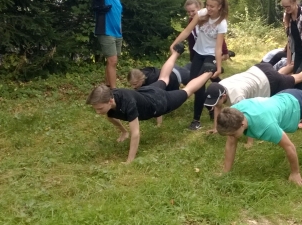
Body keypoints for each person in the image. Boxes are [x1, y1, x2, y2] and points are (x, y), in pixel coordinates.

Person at [86, 46, 216, 163]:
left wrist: (129, 161)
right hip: (147, 92)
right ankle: (176, 52)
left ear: (110, 101)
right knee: (163, 78)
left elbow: (136, 133)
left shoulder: (127, 103)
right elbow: (110, 116)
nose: (98, 112)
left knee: (186, 91)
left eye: (99, 108)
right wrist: (123, 132)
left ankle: (209, 71)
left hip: (159, 102)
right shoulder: (111, 95)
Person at [203, 62, 302, 138]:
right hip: (259, 69)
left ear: (223, 96)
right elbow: (218, 106)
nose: (214, 105)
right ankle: (292, 63)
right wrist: (216, 128)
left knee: (297, 78)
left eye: (215, 101)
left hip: (268, 81)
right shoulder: (221, 86)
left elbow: (247, 118)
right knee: (280, 75)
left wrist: (249, 141)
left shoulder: (237, 97)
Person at [172, 0, 229, 130]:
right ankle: (210, 107)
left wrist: (219, 67)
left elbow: (218, 48)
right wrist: (174, 44)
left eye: (212, 6)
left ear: (220, 7)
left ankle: (196, 120)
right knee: (194, 83)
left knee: (199, 85)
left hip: (210, 55)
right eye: (207, 5)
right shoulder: (202, 13)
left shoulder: (221, 23)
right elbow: (186, 31)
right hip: (198, 53)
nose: (208, 9)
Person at [91, 0, 123, 89]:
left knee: (112, 62)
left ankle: (108, 85)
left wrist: (120, 31)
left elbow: (119, 16)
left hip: (117, 34)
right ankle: (114, 91)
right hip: (106, 31)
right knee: (112, 60)